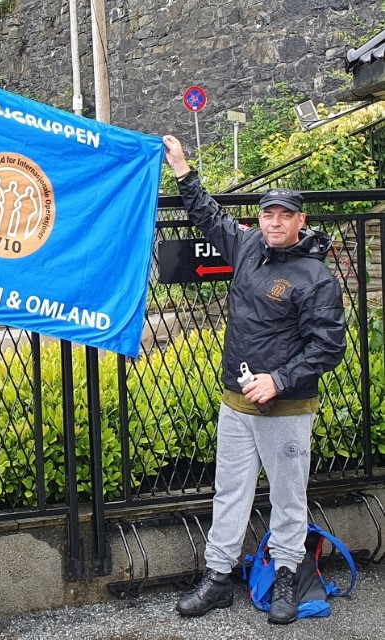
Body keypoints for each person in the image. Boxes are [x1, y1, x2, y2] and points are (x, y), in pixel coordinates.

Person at [162, 136, 346, 624]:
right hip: (235, 401)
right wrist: (182, 168)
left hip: (284, 408)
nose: (275, 223)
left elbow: (328, 347)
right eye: (269, 215)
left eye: (285, 216)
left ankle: (287, 575)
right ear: (260, 219)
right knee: (229, 492)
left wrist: (280, 380)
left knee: (288, 498)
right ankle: (218, 576)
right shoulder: (246, 245)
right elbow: (207, 215)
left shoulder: (316, 278)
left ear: (300, 221)